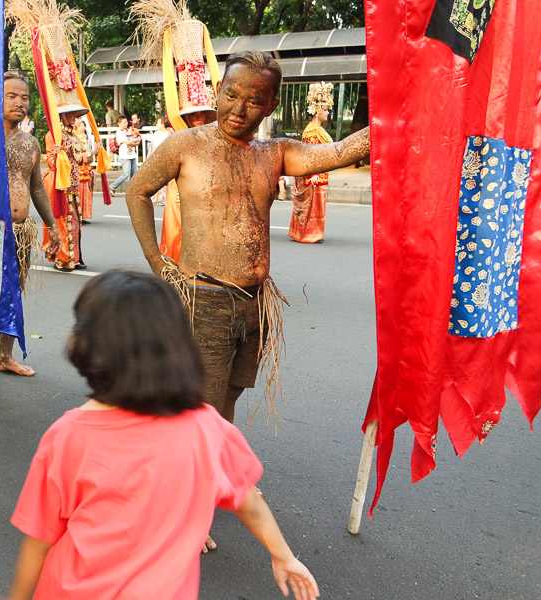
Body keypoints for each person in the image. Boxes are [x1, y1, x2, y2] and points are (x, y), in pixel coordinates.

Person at [5, 270, 320, 600]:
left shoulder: (68, 436)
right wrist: (284, 556)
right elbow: (248, 499)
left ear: (89, 348)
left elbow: (39, 540)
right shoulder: (205, 427)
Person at [126, 50, 370, 424]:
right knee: (202, 400)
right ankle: (199, 475)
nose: (239, 108)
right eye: (231, 95)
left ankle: (218, 469)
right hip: (204, 299)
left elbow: (338, 152)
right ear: (219, 90)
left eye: (254, 100)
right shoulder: (186, 145)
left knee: (230, 391)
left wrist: (396, 119)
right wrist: (156, 261)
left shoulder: (276, 152)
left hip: (254, 303)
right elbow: (137, 190)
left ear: (271, 106)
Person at [1, 72, 62, 376]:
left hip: (21, 232)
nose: (19, 102)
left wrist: (52, 225)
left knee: (13, 293)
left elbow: (37, 186)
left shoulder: (31, 143)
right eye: (11, 96)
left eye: (24, 97)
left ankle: (5, 356)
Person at [42, 107, 89, 272]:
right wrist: (56, 157)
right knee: (62, 222)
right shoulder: (53, 135)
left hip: (74, 184)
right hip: (60, 185)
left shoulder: (73, 134)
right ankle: (62, 258)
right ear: (61, 116)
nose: (75, 117)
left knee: (75, 221)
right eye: (72, 113)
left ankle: (74, 257)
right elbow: (49, 160)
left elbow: (78, 158)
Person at [289, 82, 334, 243]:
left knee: (319, 205)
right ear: (317, 111)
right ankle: (309, 233)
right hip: (315, 175)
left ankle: (314, 233)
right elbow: (310, 154)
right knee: (313, 206)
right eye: (325, 109)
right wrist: (314, 173)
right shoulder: (311, 131)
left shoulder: (319, 130)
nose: (328, 112)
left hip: (321, 172)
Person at [109, 115, 141, 197]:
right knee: (126, 174)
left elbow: (139, 137)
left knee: (133, 174)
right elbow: (127, 142)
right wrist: (135, 142)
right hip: (125, 155)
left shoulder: (130, 130)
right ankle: (113, 186)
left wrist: (134, 141)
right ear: (119, 123)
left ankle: (131, 191)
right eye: (123, 122)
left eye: (126, 122)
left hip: (132, 154)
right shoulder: (119, 133)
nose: (125, 124)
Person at [73, 117, 95, 222]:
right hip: (76, 168)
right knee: (78, 192)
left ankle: (83, 215)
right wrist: (91, 153)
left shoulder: (82, 136)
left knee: (85, 192)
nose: (80, 122)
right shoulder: (72, 135)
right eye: (78, 119)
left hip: (84, 167)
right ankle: (77, 215)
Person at [148, 117, 171, 205]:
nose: (157, 125)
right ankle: (155, 198)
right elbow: (151, 148)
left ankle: (164, 198)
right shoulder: (156, 134)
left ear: (163, 124)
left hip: (165, 159)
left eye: (158, 123)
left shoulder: (169, 134)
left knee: (164, 180)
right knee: (155, 178)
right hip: (155, 158)